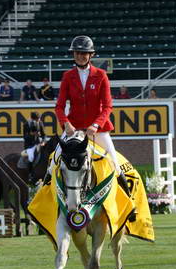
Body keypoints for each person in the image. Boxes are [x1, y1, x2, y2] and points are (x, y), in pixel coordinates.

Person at [54, 35, 132, 197]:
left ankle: (129, 202)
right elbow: (59, 107)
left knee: (115, 163)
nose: (80, 56)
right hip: (74, 128)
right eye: (77, 53)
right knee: (53, 161)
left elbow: (108, 105)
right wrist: (66, 123)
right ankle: (49, 197)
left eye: (84, 53)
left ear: (91, 55)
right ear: (73, 54)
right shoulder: (67, 76)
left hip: (98, 129)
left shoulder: (101, 75)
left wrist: (96, 125)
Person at [22, 112, 46, 183]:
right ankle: (30, 174)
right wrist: (32, 135)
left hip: (39, 144)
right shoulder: (26, 124)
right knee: (31, 157)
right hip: (30, 146)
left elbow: (44, 135)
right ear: (32, 119)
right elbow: (25, 137)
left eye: (38, 119)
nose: (38, 121)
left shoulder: (40, 123)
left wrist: (43, 141)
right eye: (37, 119)